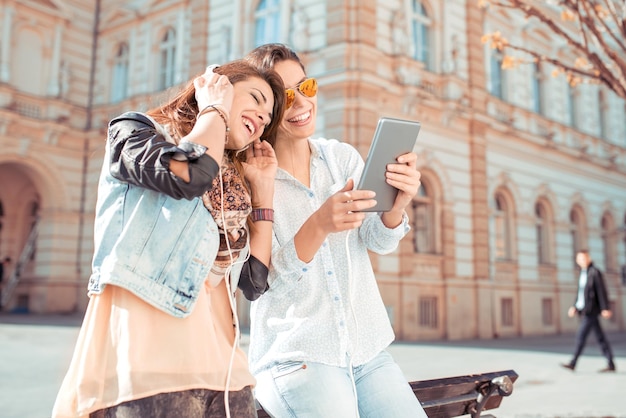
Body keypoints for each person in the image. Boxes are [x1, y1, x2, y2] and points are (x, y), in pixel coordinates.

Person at [52, 60, 285, 418]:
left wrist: (263, 191)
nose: (261, 119)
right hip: (149, 363)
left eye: (267, 119)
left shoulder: (232, 183)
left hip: (225, 370)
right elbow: (189, 174)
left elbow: (254, 281)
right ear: (216, 86)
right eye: (255, 98)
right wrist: (213, 110)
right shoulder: (136, 132)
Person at [244, 43, 427, 418]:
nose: (300, 104)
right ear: (266, 109)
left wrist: (398, 204)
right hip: (299, 358)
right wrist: (320, 224)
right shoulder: (253, 179)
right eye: (285, 97)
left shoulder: (340, 158)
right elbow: (260, 284)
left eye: (305, 88)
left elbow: (377, 240)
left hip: (367, 351)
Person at [561, 249, 616, 373]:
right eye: (580, 259)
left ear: (589, 258)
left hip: (591, 310)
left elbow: (601, 291)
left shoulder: (595, 272)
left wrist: (605, 308)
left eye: (585, 258)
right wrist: (575, 306)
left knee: (581, 336)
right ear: (577, 260)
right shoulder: (582, 273)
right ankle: (611, 363)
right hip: (583, 309)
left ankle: (573, 362)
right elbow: (581, 293)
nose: (583, 261)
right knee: (600, 338)